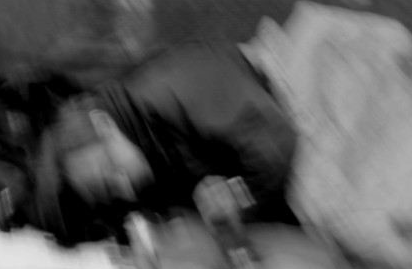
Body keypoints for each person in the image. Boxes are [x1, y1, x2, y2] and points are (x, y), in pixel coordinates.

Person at [31, 41, 301, 250]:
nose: (124, 187)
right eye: (110, 192)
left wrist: (238, 196)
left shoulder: (172, 92)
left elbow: (278, 141)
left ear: (104, 125)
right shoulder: (142, 146)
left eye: (110, 169)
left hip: (291, 93)